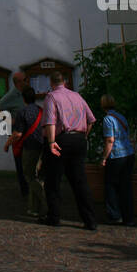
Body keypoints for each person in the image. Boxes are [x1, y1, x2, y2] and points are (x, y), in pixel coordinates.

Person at [40, 70, 98, 230]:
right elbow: (91, 119)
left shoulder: (51, 97)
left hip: (61, 140)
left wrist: (51, 142)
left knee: (53, 181)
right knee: (80, 181)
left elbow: (51, 121)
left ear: (51, 83)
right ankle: (90, 220)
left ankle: (54, 217)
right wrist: (84, 135)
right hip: (79, 139)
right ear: (64, 82)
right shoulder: (77, 96)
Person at [10, 86, 46, 218]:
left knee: (30, 176)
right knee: (37, 176)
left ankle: (47, 201)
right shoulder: (41, 110)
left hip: (30, 147)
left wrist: (7, 143)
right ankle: (33, 208)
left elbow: (18, 134)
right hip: (42, 146)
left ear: (23, 99)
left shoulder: (22, 112)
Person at [0, 70, 29, 201]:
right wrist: (9, 120)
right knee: (20, 164)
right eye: (25, 79)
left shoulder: (24, 93)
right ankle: (25, 191)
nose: (27, 81)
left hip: (28, 134)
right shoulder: (12, 95)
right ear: (19, 82)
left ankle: (30, 189)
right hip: (17, 135)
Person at [100, 93, 135, 226]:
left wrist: (104, 157)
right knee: (126, 186)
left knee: (111, 185)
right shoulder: (121, 117)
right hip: (128, 153)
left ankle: (115, 215)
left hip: (116, 155)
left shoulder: (108, 119)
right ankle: (129, 217)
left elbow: (110, 140)